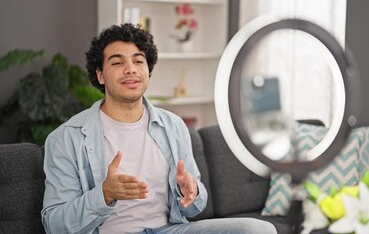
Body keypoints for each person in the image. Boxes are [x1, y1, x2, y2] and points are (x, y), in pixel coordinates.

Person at [41, 23, 277, 234]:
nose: (130, 69)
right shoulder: (65, 139)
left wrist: (191, 190)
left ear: (147, 70)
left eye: (138, 60)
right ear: (100, 75)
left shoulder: (173, 126)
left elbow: (195, 206)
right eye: (118, 62)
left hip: (169, 229)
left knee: (258, 229)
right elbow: (54, 224)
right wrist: (104, 194)